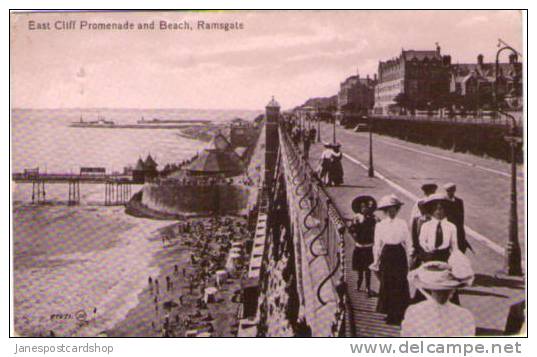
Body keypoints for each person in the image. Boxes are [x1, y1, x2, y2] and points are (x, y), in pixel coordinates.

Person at [401, 261, 475, 337]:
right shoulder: (415, 311)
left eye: (447, 290)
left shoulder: (464, 315)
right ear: (431, 289)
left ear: (453, 290)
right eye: (439, 291)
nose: (443, 294)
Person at [370, 195, 412, 325]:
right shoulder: (380, 225)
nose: (391, 212)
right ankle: (389, 313)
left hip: (399, 254)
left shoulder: (402, 223)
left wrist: (410, 256)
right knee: (387, 282)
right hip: (387, 254)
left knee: (399, 283)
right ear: (385, 211)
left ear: (397, 209)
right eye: (388, 209)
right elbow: (377, 244)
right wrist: (376, 260)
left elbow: (408, 241)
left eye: (394, 209)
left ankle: (399, 313)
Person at [349, 195, 377, 297]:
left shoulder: (373, 218)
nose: (364, 209)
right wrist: (355, 230)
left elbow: (376, 229)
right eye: (362, 207)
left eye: (366, 207)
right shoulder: (356, 218)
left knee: (368, 268)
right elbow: (351, 230)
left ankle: (368, 287)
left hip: (369, 246)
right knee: (360, 268)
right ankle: (359, 283)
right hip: (360, 246)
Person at [444, 183, 472, 253]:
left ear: (454, 190)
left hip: (457, 228)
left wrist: (461, 232)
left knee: (460, 248)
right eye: (448, 191)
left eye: (452, 190)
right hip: (446, 228)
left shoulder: (459, 201)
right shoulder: (443, 201)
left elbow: (461, 217)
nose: (450, 192)